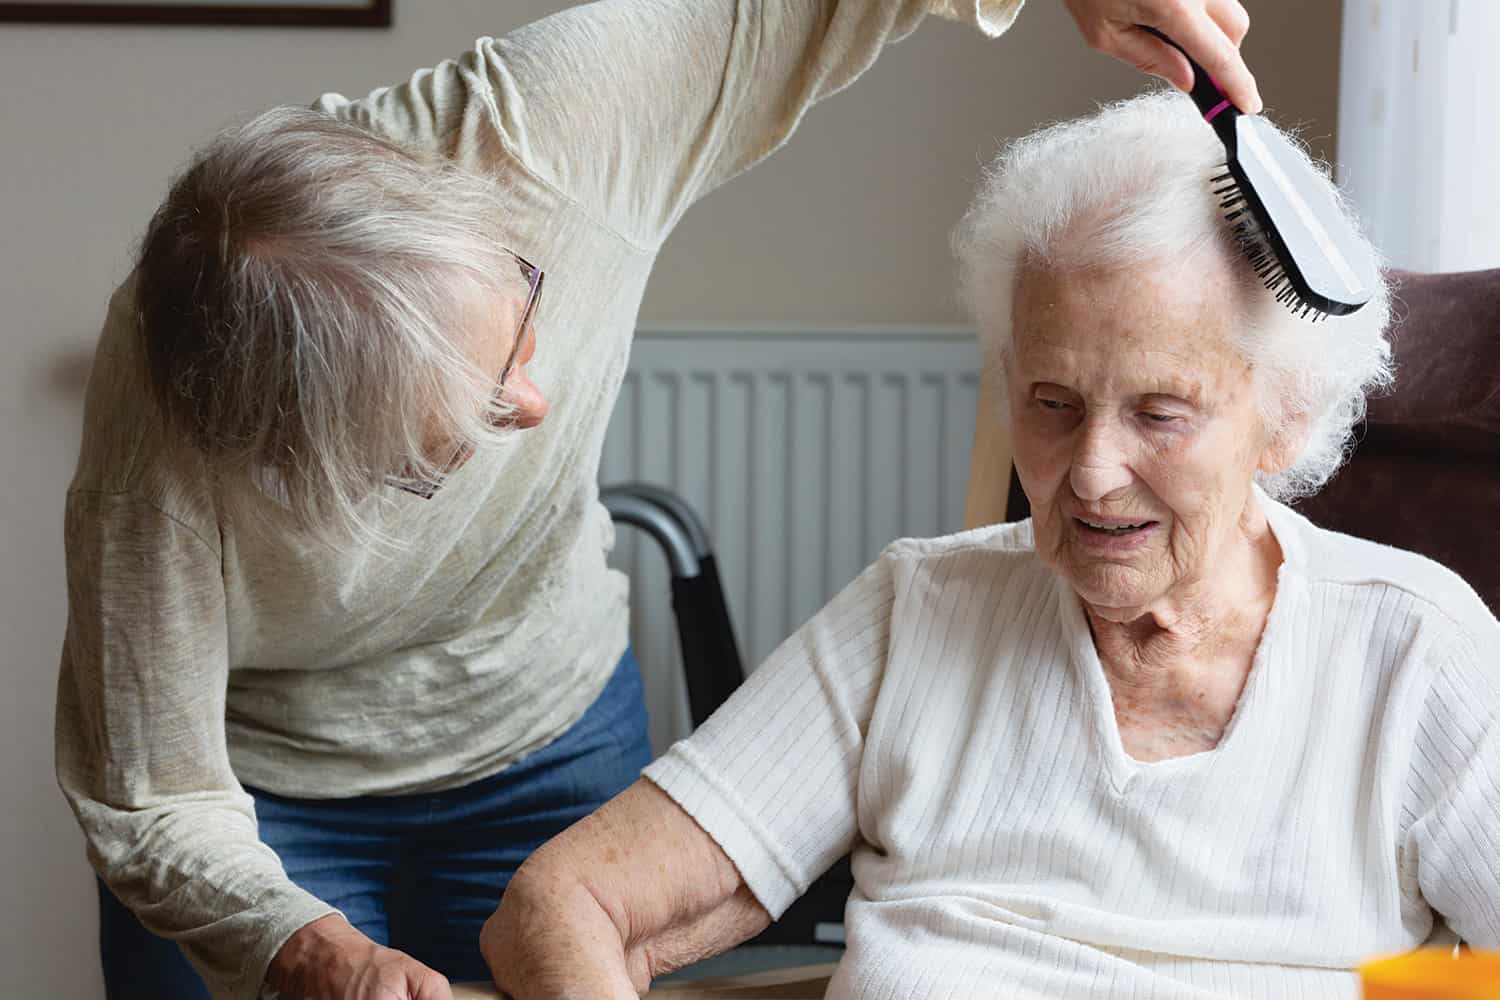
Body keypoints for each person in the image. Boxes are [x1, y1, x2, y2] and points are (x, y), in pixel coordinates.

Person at [55, 2, 1261, 999]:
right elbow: (155, 791)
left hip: (543, 731)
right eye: (455, 434)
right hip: (262, 800)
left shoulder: (542, 129)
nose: (534, 406)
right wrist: (297, 940)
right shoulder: (166, 434)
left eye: (522, 323)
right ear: (288, 450)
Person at [479, 90, 1500, 1000]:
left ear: (1284, 416)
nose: (1091, 471)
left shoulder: (1413, 655)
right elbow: (563, 903)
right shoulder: (918, 613)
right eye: (1052, 403)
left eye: (1160, 413)